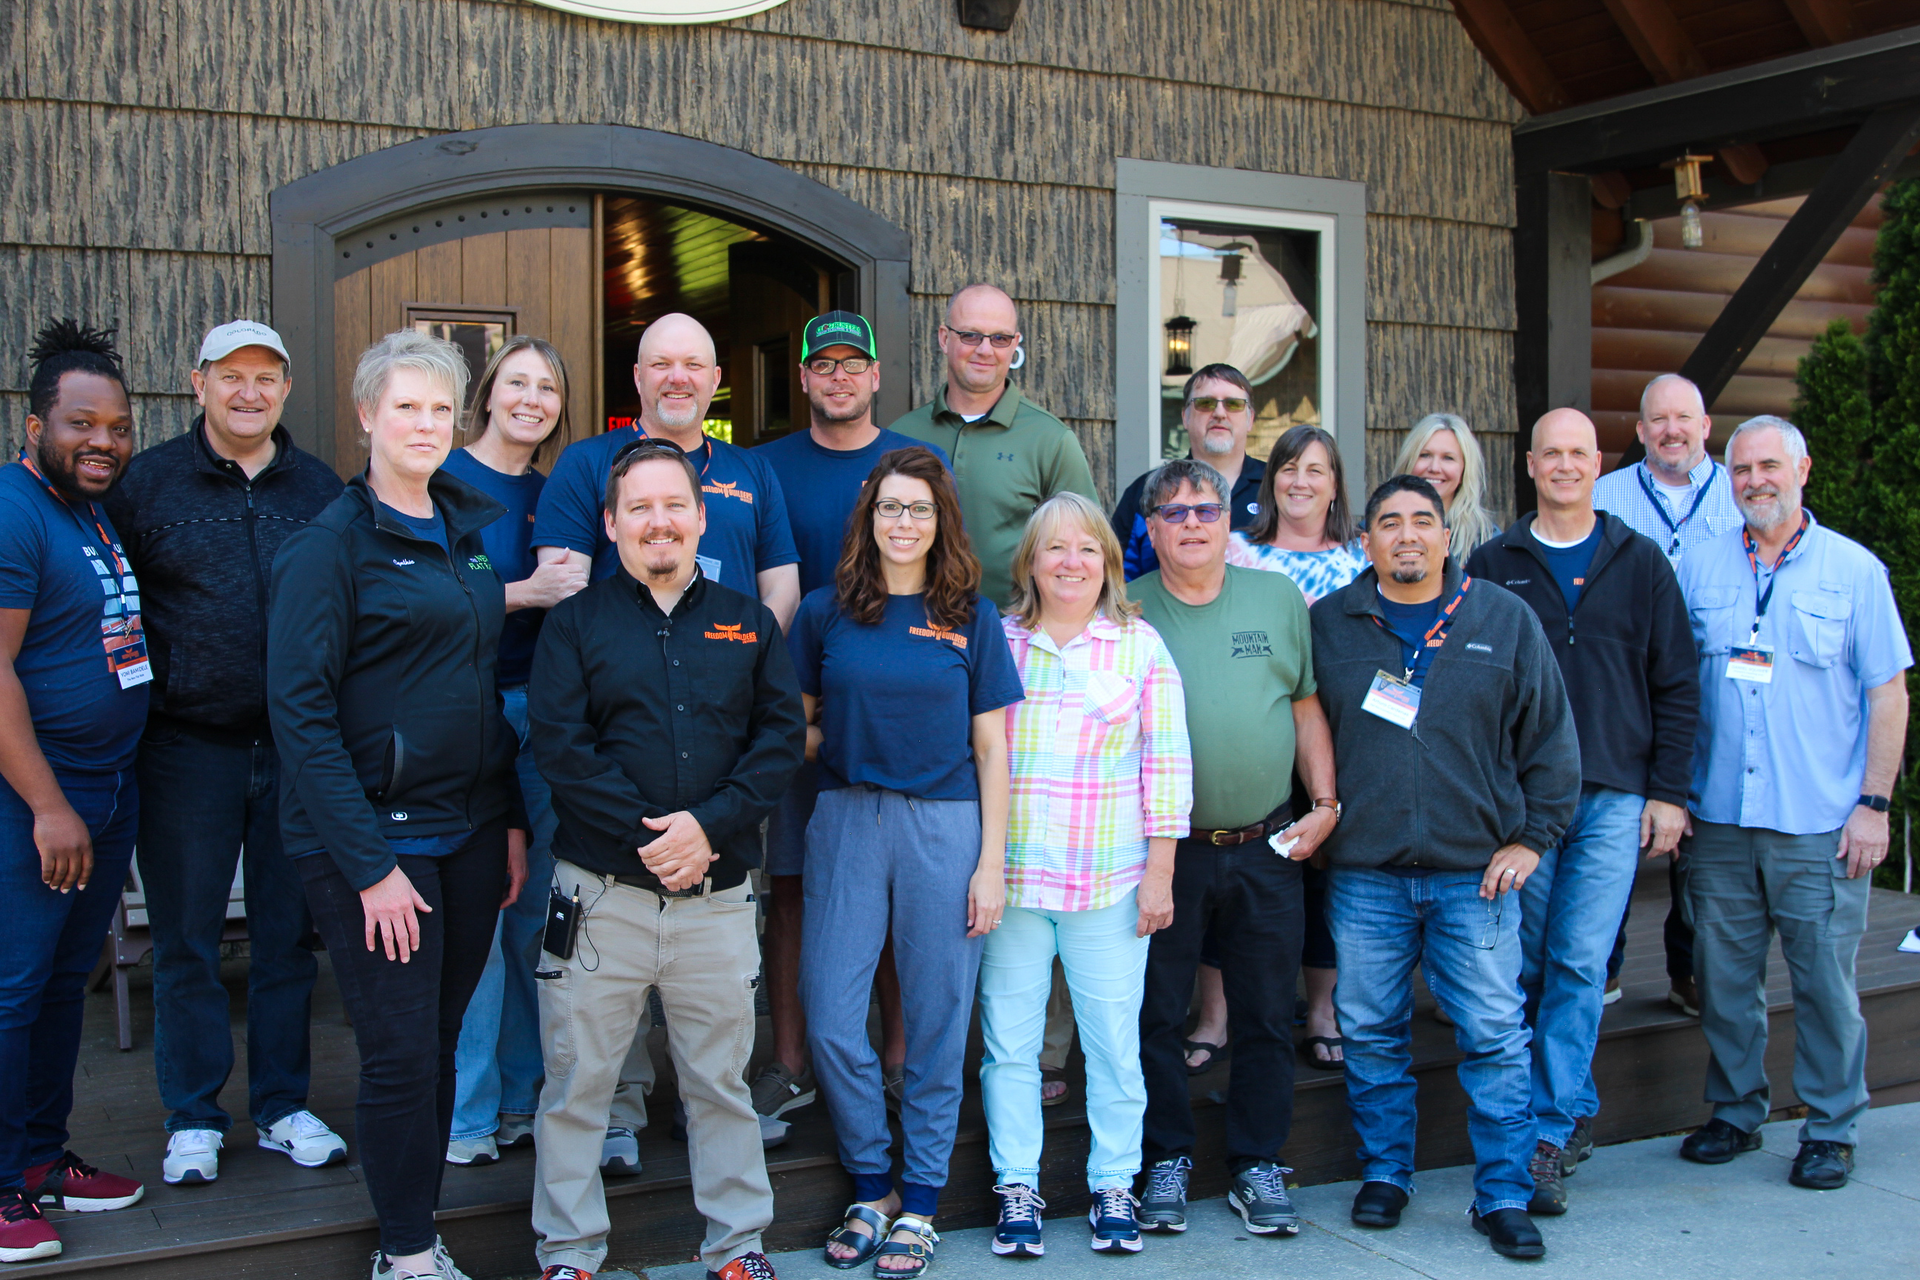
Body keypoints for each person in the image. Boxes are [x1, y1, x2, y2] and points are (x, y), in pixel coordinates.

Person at [268, 330, 529, 1280]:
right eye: (404, 406)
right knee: (398, 1050)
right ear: (367, 415)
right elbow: (298, 718)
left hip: (465, 833)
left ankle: (419, 1226)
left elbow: (478, 693)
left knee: (441, 1037)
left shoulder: (465, 535)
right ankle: (407, 1253)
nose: (424, 424)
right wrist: (369, 866)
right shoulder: (329, 548)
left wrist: (504, 819)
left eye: (438, 409)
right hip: (374, 843)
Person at [526, 437, 804, 1280]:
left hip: (715, 901)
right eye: (638, 508)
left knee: (719, 1084)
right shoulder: (573, 625)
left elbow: (779, 740)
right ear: (610, 524)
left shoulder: (748, 622)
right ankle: (569, 1253)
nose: (658, 522)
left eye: (673, 505)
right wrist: (660, 838)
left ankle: (737, 1246)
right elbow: (561, 749)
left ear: (699, 517)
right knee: (577, 1085)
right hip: (600, 897)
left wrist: (707, 829)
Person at [103, 320, 347, 1187]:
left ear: (285, 391)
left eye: (267, 378)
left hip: (293, 751)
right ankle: (193, 1116)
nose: (251, 393)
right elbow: (110, 604)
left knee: (286, 940)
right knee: (187, 942)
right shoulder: (147, 486)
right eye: (232, 376)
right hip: (184, 749)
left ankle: (282, 1106)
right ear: (198, 383)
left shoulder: (319, 489)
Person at [1311, 474, 1580, 1261]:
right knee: (1369, 1032)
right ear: (1366, 541)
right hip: (1365, 874)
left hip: (1477, 874)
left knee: (1496, 1034)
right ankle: (1387, 1175)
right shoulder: (1330, 625)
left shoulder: (1504, 619)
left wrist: (1533, 838)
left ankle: (1502, 1193)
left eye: (1421, 522)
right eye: (1388, 523)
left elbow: (1553, 743)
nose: (1406, 536)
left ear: (1446, 535)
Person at [788, 446, 1022, 1277]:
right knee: (830, 1012)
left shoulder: (971, 615)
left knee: (934, 1016)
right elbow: (800, 727)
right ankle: (872, 1181)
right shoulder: (825, 612)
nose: (903, 522)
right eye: (890, 507)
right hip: (848, 819)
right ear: (868, 517)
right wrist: (839, 743)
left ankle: (921, 1198)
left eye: (919, 508)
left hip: (946, 826)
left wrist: (991, 864)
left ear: (941, 521)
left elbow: (993, 750)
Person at [1466, 409, 1698, 1215]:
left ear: (1598, 463)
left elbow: (1675, 683)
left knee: (1578, 961)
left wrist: (1670, 793)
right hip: (1522, 797)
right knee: (1524, 963)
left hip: (1612, 794)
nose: (1565, 466)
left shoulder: (1640, 563)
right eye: (1550, 453)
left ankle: (1549, 1131)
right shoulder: (1494, 562)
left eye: (1578, 453)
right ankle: (1549, 1111)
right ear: (1529, 464)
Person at [1674, 415, 1910, 1193]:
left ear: (1802, 470)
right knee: (1725, 977)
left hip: (1820, 823)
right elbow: (1674, 690)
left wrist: (1873, 803)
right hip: (1720, 820)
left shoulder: (1854, 571)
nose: (1754, 482)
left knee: (1824, 984)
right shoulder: (1699, 568)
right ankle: (1737, 1112)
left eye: (1769, 466)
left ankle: (1832, 1126)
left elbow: (1888, 694)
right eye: (1740, 470)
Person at [1129, 457, 1339, 1239]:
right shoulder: (1128, 608)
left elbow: (1305, 704)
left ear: (1228, 521)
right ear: (1150, 529)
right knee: (1156, 1015)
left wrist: (1325, 804)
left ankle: (1257, 1159)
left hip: (1265, 843)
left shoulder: (1277, 598)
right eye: (1173, 512)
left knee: (1260, 1011)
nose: (1191, 523)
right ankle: (1168, 1158)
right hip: (1164, 852)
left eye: (1204, 510)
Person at [980, 493, 1191, 1258]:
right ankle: (1017, 1185)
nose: (1072, 563)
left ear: (1107, 561)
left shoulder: (1139, 647)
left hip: (1111, 885)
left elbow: (1168, 767)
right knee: (1009, 1044)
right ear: (1030, 563)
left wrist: (1161, 874)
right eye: (1055, 549)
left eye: (1088, 549)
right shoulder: (997, 643)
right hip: (1015, 887)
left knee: (1110, 1043)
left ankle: (1114, 1185)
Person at [749, 313, 946, 1134]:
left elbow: (945, 575)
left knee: (897, 899)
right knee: (792, 889)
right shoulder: (763, 470)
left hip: (895, 712)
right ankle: (791, 1062)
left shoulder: (909, 464)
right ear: (801, 378)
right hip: (797, 706)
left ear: (875, 376)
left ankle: (896, 1060)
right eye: (821, 364)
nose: (837, 376)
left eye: (852, 363)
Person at [0, 321, 149, 1264]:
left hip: (106, 791)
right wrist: (49, 803)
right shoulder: (15, 509)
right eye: (81, 424)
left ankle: (41, 1159)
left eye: (119, 427)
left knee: (59, 986)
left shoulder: (87, 511)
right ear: (35, 423)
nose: (102, 441)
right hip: (35, 802)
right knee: (12, 990)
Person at [440, 337, 588, 1166]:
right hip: (466, 713)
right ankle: (468, 1112)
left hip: (551, 718)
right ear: (489, 393)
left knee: (541, 915)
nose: (532, 399)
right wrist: (525, 592)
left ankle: (529, 1097)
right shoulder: (446, 479)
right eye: (518, 383)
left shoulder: (558, 490)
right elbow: (420, 599)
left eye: (548, 387)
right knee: (482, 907)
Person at [1217, 423, 1367, 1073]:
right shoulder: (1238, 555)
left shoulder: (1362, 561)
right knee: (1243, 882)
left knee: (1326, 883)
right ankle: (1223, 1014)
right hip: (1259, 748)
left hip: (1344, 742)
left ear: (1335, 486)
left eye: (1316, 469)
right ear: (1269, 480)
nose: (1300, 480)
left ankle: (1324, 1010)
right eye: (1287, 468)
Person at [1591, 373, 1741, 1016]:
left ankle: (1689, 969)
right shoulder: (1606, 495)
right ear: (1641, 430)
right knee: (1620, 829)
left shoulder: (1741, 494)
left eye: (1684, 418)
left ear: (1706, 426)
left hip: (1718, 692)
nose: (1671, 431)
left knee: (1699, 836)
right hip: (1629, 692)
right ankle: (1606, 967)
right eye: (1657, 420)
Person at [888, 283, 1098, 608]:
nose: (985, 350)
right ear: (944, 338)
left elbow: (1086, 551)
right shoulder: (901, 435)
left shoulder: (1051, 440)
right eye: (971, 335)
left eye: (1000, 338)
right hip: (914, 636)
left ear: (1014, 345)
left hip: (1014, 637)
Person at [1110, 364, 1266, 580]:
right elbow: (1116, 578)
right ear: (1185, 417)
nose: (1220, 413)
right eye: (1205, 403)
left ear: (1250, 419)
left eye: (1233, 404)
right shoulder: (1146, 491)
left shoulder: (1276, 488)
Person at [1393, 414, 1498, 558]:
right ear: (1407, 462)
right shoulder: (1375, 529)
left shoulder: (1487, 540)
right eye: (1425, 455)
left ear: (1464, 470)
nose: (1434, 468)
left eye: (1448, 458)